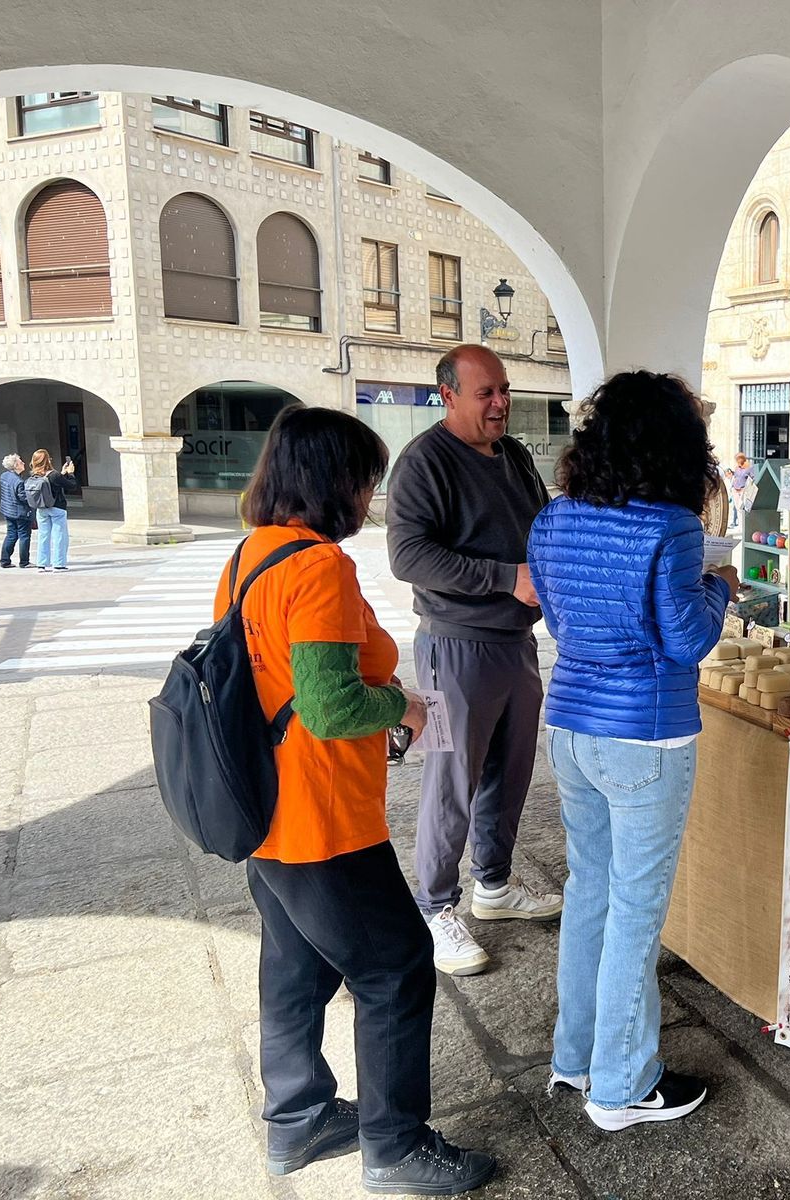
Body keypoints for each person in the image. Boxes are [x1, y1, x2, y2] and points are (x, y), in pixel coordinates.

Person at [224, 405, 495, 1195]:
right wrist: (405, 709)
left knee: (297, 962)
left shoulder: (253, 553)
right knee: (398, 969)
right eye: (365, 478)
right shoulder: (316, 567)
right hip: (321, 816)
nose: (371, 495)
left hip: (261, 803)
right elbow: (332, 705)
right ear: (331, 481)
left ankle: (298, 1117)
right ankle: (395, 1146)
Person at [527, 370, 739, 1131]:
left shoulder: (554, 519)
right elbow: (687, 638)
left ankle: (575, 1056)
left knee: (590, 892)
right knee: (635, 912)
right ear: (680, 446)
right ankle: (621, 1087)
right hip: (645, 732)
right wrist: (720, 586)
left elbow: (554, 616)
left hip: (572, 725)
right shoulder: (671, 528)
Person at [387, 344, 561, 977]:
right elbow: (408, 557)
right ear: (448, 396)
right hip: (453, 645)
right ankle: (435, 907)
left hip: (516, 640)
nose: (500, 403)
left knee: (510, 773)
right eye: (485, 393)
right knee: (449, 781)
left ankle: (494, 884)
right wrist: (502, 576)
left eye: (504, 390)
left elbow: (542, 527)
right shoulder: (423, 462)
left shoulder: (513, 456)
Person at [26, 449, 74, 571]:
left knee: (43, 536)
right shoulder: (54, 475)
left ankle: (41, 563)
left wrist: (62, 473)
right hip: (57, 507)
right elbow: (72, 485)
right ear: (48, 460)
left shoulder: (34, 475)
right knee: (59, 536)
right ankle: (59, 564)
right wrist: (71, 473)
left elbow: (52, 484)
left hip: (41, 508)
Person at [0, 454, 31, 569]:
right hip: (19, 512)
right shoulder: (19, 481)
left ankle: (5, 560)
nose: (23, 464)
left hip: (7, 510)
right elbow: (23, 498)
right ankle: (24, 562)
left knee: (11, 534)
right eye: (21, 462)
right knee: (24, 536)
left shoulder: (4, 476)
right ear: (16, 465)